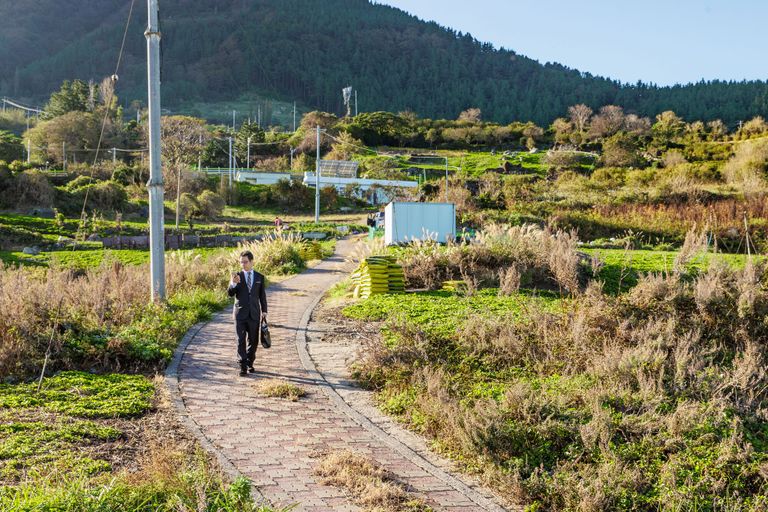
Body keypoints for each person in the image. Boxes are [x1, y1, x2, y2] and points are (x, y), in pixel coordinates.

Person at [228, 250, 268, 376]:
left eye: (245, 262)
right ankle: (242, 366)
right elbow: (230, 294)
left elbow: (262, 296)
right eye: (241, 262)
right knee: (240, 340)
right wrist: (233, 283)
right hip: (240, 314)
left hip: (254, 313)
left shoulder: (259, 277)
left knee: (253, 341)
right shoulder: (237, 276)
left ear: (251, 262)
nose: (243, 264)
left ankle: (250, 362)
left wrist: (264, 311)